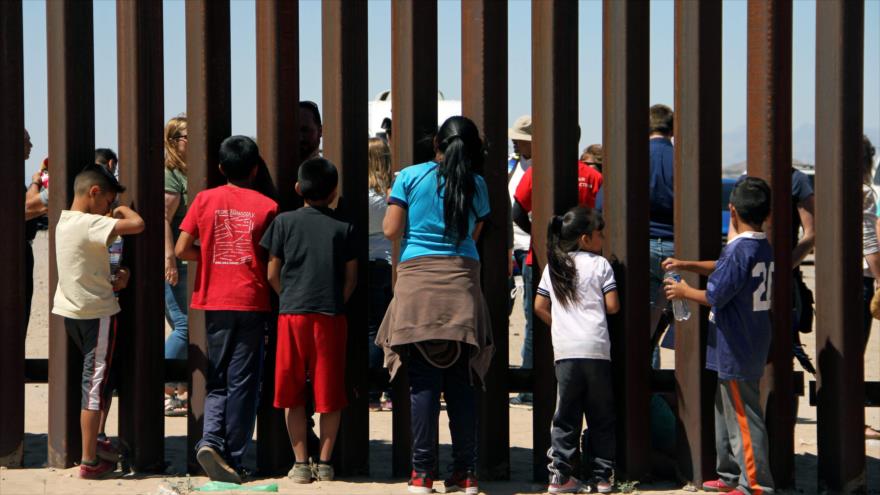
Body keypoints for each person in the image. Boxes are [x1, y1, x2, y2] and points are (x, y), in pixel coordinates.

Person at [378, 116, 494, 495]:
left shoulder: (409, 177)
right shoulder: (478, 185)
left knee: (423, 383)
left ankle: (421, 474)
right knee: (462, 382)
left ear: (436, 144)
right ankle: (467, 473)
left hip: (418, 285)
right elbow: (474, 235)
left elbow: (391, 231)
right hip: (461, 283)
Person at [175, 136, 278, 483]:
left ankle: (210, 440)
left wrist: (210, 257)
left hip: (214, 300)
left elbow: (180, 248)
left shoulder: (204, 199)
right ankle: (232, 456)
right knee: (244, 382)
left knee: (217, 377)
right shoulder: (267, 207)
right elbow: (270, 258)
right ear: (254, 169)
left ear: (220, 168)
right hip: (251, 300)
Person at [663, 177, 775, 495]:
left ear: (732, 211)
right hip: (749, 340)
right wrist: (687, 264)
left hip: (736, 345)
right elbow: (725, 267)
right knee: (725, 409)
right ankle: (729, 475)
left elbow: (716, 293)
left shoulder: (740, 249)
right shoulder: (759, 245)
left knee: (743, 416)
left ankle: (756, 483)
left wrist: (684, 289)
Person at [261, 157, 357, 483]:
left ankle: (301, 463)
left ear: (298, 188)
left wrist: (288, 296)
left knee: (291, 393)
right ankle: (327, 463)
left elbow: (272, 272)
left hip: (292, 315)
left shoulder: (283, 223)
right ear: (333, 193)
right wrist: (333, 300)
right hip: (330, 316)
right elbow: (351, 279)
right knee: (330, 393)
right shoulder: (344, 228)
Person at [51, 165, 144, 479]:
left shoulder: (65, 221)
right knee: (93, 386)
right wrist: (121, 209)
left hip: (71, 312)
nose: (109, 207)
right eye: (107, 200)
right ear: (94, 193)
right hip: (98, 315)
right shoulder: (92, 223)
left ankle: (97, 441)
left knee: (97, 381)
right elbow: (138, 224)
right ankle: (90, 460)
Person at [512, 125, 603, 396]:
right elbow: (601, 219)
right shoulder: (592, 176)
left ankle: (531, 389)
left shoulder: (535, 172)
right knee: (584, 316)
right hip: (586, 260)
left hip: (541, 257)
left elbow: (517, 212)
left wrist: (539, 236)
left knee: (534, 321)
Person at [534, 206, 619, 494]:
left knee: (566, 416)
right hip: (596, 349)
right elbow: (613, 306)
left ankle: (561, 477)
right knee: (601, 416)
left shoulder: (554, 266)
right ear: (585, 238)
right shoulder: (601, 265)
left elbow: (539, 306)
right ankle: (603, 476)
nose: (603, 238)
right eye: (600, 233)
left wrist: (559, 324)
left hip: (566, 351)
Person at [162, 115, 190, 416]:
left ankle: (178, 389)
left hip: (186, 260)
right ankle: (166, 387)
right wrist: (169, 258)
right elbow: (164, 219)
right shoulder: (171, 175)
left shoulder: (185, 172)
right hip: (176, 262)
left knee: (185, 327)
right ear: (173, 141)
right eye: (187, 136)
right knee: (184, 327)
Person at [367, 137, 394, 411]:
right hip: (388, 264)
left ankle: (371, 392)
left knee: (372, 330)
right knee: (389, 331)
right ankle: (387, 388)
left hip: (366, 263)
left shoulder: (364, 196)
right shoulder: (389, 195)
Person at [647, 104, 675, 370]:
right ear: (673, 128)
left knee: (646, 324)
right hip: (677, 252)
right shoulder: (681, 158)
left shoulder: (631, 157)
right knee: (684, 317)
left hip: (643, 247)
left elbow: (601, 206)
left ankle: (649, 381)